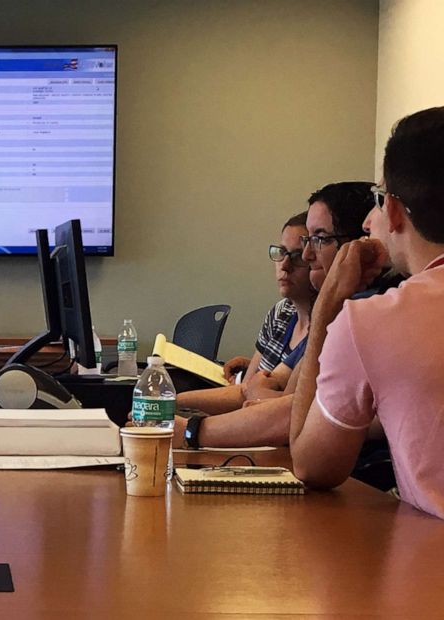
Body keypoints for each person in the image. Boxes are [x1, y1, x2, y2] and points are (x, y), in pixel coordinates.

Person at [291, 107, 444, 518]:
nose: (367, 219)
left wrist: (326, 309)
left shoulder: (371, 322)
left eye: (378, 199)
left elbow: (311, 465)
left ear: (393, 210)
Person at [174, 182, 372, 449]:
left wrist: (191, 431)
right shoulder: (299, 313)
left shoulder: (363, 313)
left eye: (320, 239)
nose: (306, 254)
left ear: (361, 246)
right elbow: (261, 390)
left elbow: (291, 415)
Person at [179, 212, 314, 415]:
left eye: (297, 257)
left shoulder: (328, 330)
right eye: (282, 252)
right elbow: (245, 391)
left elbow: (276, 408)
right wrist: (170, 401)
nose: (284, 266)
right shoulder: (280, 312)